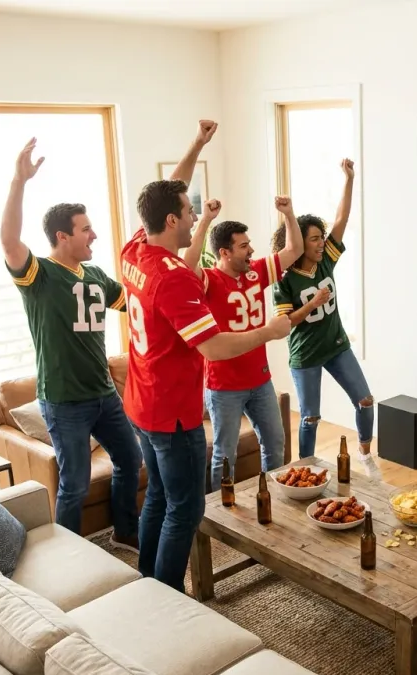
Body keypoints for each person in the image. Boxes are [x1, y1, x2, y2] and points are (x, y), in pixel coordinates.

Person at [120, 120, 291, 593]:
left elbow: (166, 193)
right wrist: (270, 331)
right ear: (172, 221)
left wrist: (196, 144)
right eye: (188, 211)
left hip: (140, 404)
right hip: (171, 412)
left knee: (157, 494)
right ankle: (170, 594)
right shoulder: (173, 277)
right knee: (185, 507)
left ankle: (147, 582)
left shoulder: (135, 248)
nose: (195, 216)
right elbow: (213, 345)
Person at [0, 138, 142, 551]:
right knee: (75, 485)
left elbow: (133, 302)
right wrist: (18, 181)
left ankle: (124, 531)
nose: (94, 234)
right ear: (63, 237)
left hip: (104, 394)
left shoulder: (95, 274)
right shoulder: (40, 276)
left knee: (131, 461)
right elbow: (9, 241)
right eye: (85, 229)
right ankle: (69, 553)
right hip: (64, 401)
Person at [183, 196, 303, 489]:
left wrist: (288, 214)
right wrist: (205, 221)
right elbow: (187, 264)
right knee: (225, 455)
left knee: (275, 444)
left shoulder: (256, 272)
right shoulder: (210, 280)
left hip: (260, 380)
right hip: (224, 386)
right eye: (243, 246)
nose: (251, 250)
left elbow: (295, 250)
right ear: (224, 252)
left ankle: (272, 497)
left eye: (249, 244)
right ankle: (220, 513)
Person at [272, 159, 381, 479]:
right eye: (315, 238)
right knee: (310, 417)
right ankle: (305, 468)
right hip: (305, 355)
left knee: (365, 400)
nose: (322, 243)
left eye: (322, 237)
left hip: (336, 346)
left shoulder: (324, 264)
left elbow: (342, 218)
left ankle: (364, 454)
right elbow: (286, 323)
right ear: (298, 243)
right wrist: (314, 302)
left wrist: (349, 179)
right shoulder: (284, 279)